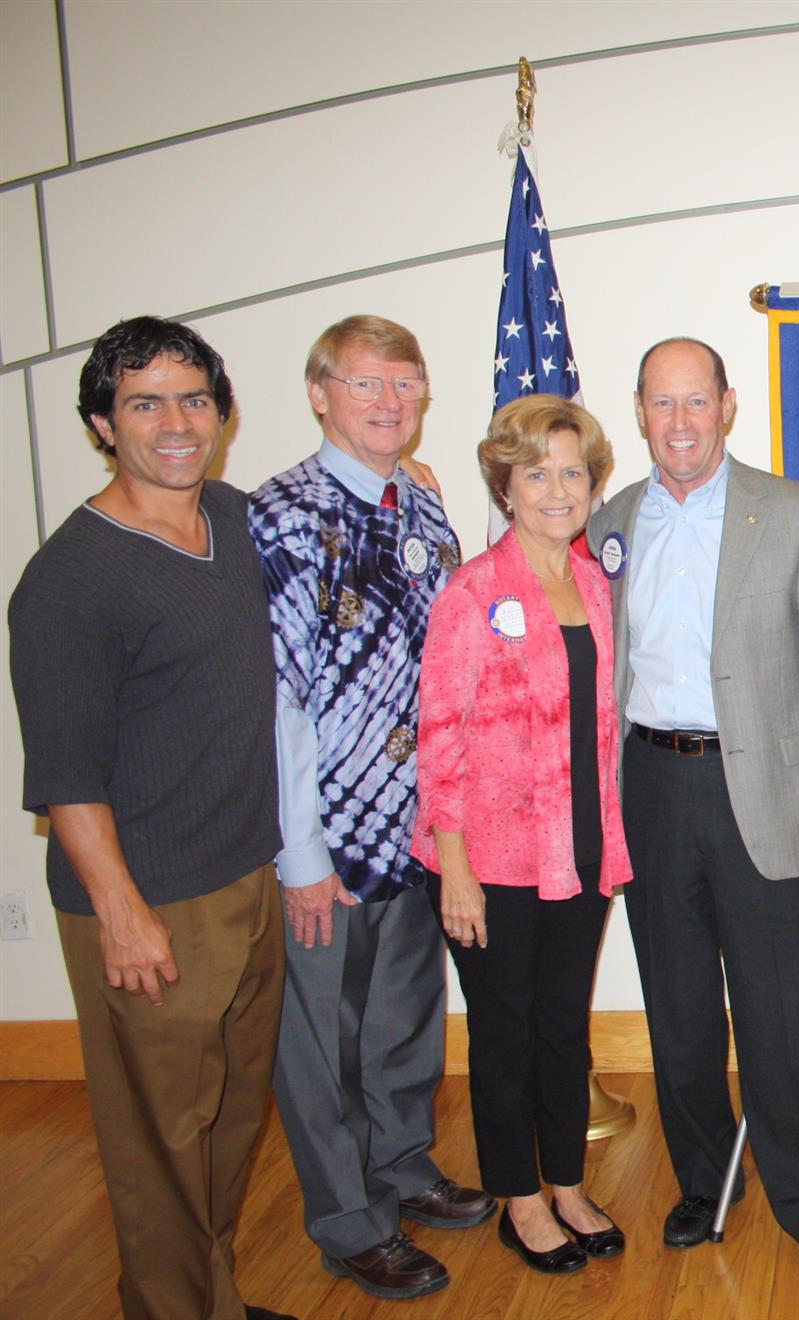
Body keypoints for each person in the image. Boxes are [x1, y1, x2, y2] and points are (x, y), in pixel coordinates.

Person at [9, 316, 294, 1320]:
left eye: (193, 399)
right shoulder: (68, 583)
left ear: (221, 413)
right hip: (150, 900)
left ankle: (211, 1296)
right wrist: (123, 915)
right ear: (103, 424)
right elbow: (66, 777)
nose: (176, 423)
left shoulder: (232, 516)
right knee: (159, 1140)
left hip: (248, 876)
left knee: (227, 1119)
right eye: (145, 404)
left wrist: (408, 485)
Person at [588, 337, 799, 1295]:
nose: (680, 422)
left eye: (696, 401)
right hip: (650, 785)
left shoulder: (794, 511)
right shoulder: (611, 522)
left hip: (769, 796)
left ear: (728, 405)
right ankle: (706, 1182)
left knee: (783, 1013)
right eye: (662, 404)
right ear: (639, 412)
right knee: (677, 1009)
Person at [247, 315, 489, 1301]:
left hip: (419, 825)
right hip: (332, 837)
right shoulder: (283, 515)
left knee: (402, 1020)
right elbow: (277, 697)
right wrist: (299, 852)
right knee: (321, 1042)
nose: (390, 402)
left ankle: (402, 1166)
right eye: (365, 384)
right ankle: (350, 1222)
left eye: (405, 383)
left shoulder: (422, 501)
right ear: (319, 395)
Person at [413, 395, 634, 1275]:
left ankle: (568, 1184)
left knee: (564, 1028)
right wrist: (455, 869)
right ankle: (520, 1200)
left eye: (573, 471)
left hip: (581, 849)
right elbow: (440, 739)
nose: (558, 489)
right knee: (504, 1034)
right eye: (536, 472)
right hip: (492, 861)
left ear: (594, 484)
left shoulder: (595, 587)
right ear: (505, 486)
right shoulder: (472, 593)